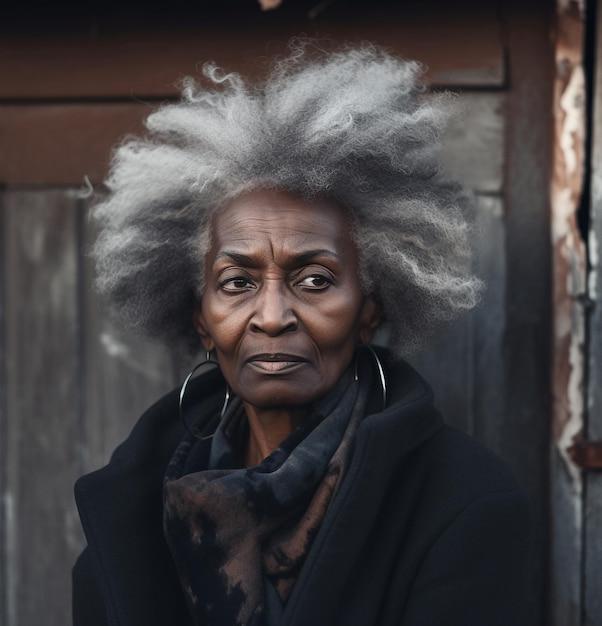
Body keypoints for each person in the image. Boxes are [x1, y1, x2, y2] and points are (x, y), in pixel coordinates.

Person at [73, 42, 531, 626]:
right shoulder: (130, 510)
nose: (271, 315)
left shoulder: (467, 505)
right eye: (236, 282)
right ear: (200, 318)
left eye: (315, 280)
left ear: (371, 305)